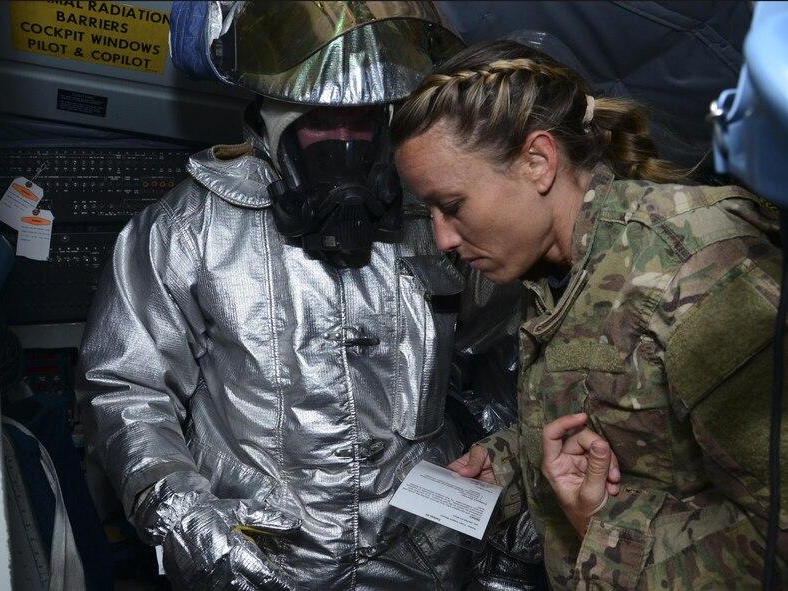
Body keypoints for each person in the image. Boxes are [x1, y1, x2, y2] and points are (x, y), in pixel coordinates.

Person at [75, 3, 529, 590]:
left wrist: (512, 526)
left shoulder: (440, 220)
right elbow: (127, 391)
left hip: (426, 557)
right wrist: (191, 525)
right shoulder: (187, 229)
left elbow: (509, 361)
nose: (343, 144)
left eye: (362, 123)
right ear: (273, 124)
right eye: (320, 123)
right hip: (258, 561)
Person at [392, 39, 788, 590]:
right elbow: (627, 428)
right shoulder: (562, 265)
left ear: (538, 161)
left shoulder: (702, 270)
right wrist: (512, 465)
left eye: (452, 206)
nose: (442, 239)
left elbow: (778, 539)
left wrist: (602, 529)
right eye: (429, 211)